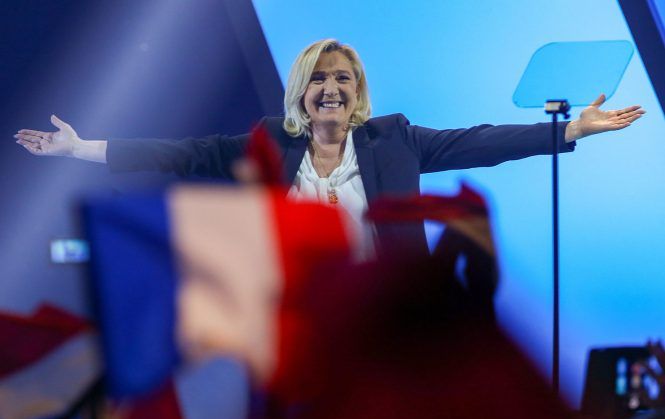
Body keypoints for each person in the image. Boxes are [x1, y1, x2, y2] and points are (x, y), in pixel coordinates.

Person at [14, 39, 645, 255]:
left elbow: (477, 143)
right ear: (302, 91)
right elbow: (183, 154)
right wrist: (80, 149)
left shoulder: (393, 138)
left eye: (343, 78)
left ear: (358, 91)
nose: (331, 88)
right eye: (318, 78)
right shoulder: (269, 142)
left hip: (389, 324)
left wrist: (568, 130)